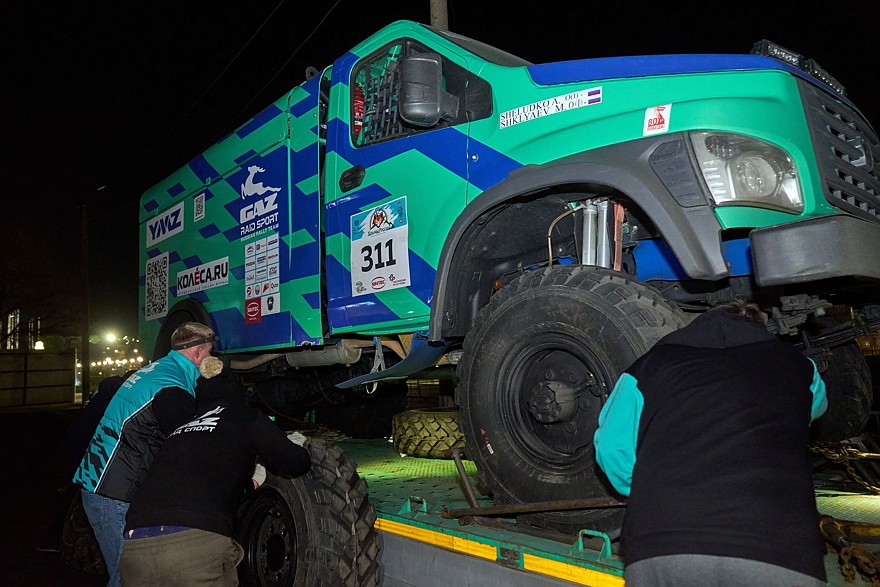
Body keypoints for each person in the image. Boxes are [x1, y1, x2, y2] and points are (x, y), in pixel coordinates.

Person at [594, 301, 829, 587]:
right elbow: (814, 409)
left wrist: (647, 486)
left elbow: (611, 448)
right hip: (781, 548)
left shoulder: (648, 367)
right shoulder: (801, 369)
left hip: (664, 542)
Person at [119, 356, 311, 586]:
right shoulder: (244, 417)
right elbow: (295, 463)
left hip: (135, 546)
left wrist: (251, 484)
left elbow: (199, 486)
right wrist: (295, 445)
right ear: (238, 393)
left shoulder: (181, 428)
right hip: (193, 543)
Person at [73, 322, 216, 587]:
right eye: (209, 353)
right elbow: (191, 445)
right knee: (130, 579)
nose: (211, 360)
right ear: (197, 353)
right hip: (113, 496)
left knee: (129, 576)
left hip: (101, 486)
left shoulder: (156, 370)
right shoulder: (172, 387)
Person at [39, 371, 134, 553]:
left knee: (76, 493)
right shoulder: (115, 395)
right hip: (88, 449)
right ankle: (62, 540)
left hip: (77, 444)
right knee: (80, 495)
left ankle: (55, 538)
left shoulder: (104, 391)